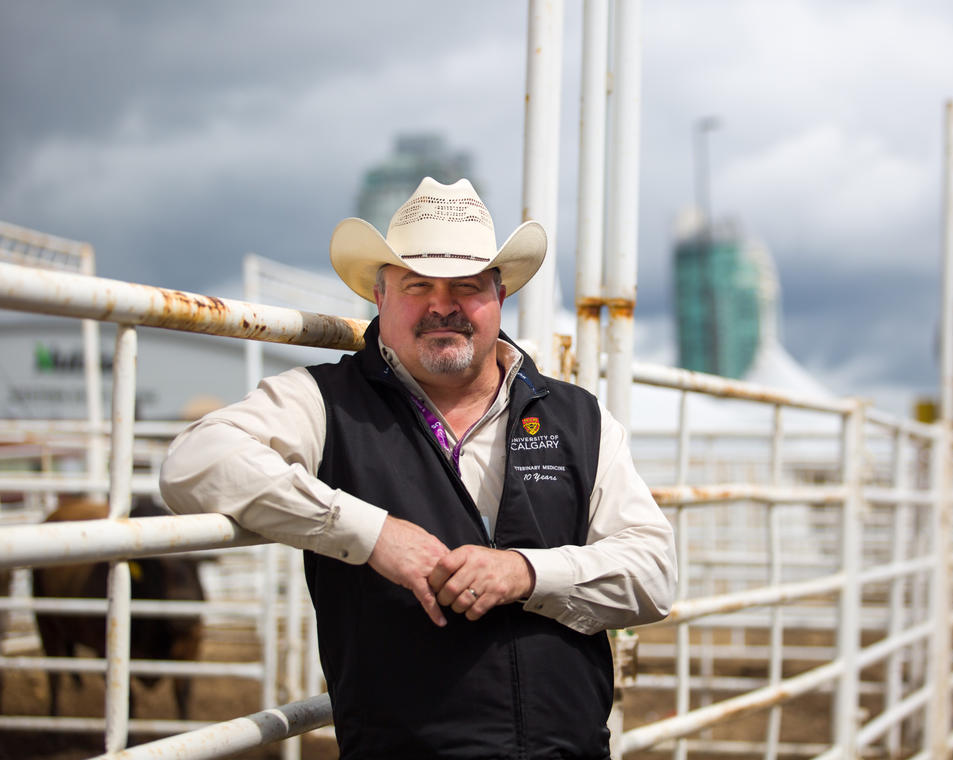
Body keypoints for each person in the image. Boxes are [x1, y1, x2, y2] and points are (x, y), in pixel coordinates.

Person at [159, 177, 677, 759]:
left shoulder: (578, 417)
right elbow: (193, 463)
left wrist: (525, 574)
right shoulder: (325, 401)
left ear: (499, 294)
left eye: (466, 285)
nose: (442, 305)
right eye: (418, 284)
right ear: (380, 297)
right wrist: (369, 532)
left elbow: (655, 571)